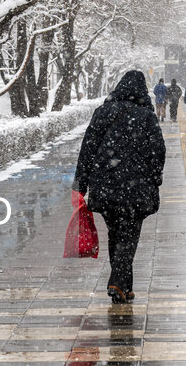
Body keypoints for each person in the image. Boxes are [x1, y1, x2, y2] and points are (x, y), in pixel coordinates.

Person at [75, 70, 166, 304]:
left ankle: (124, 286)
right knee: (129, 235)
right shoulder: (146, 116)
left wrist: (81, 185)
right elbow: (158, 151)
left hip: (105, 186)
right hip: (136, 187)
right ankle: (118, 281)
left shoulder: (103, 113)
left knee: (116, 233)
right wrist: (154, 177)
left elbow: (88, 149)